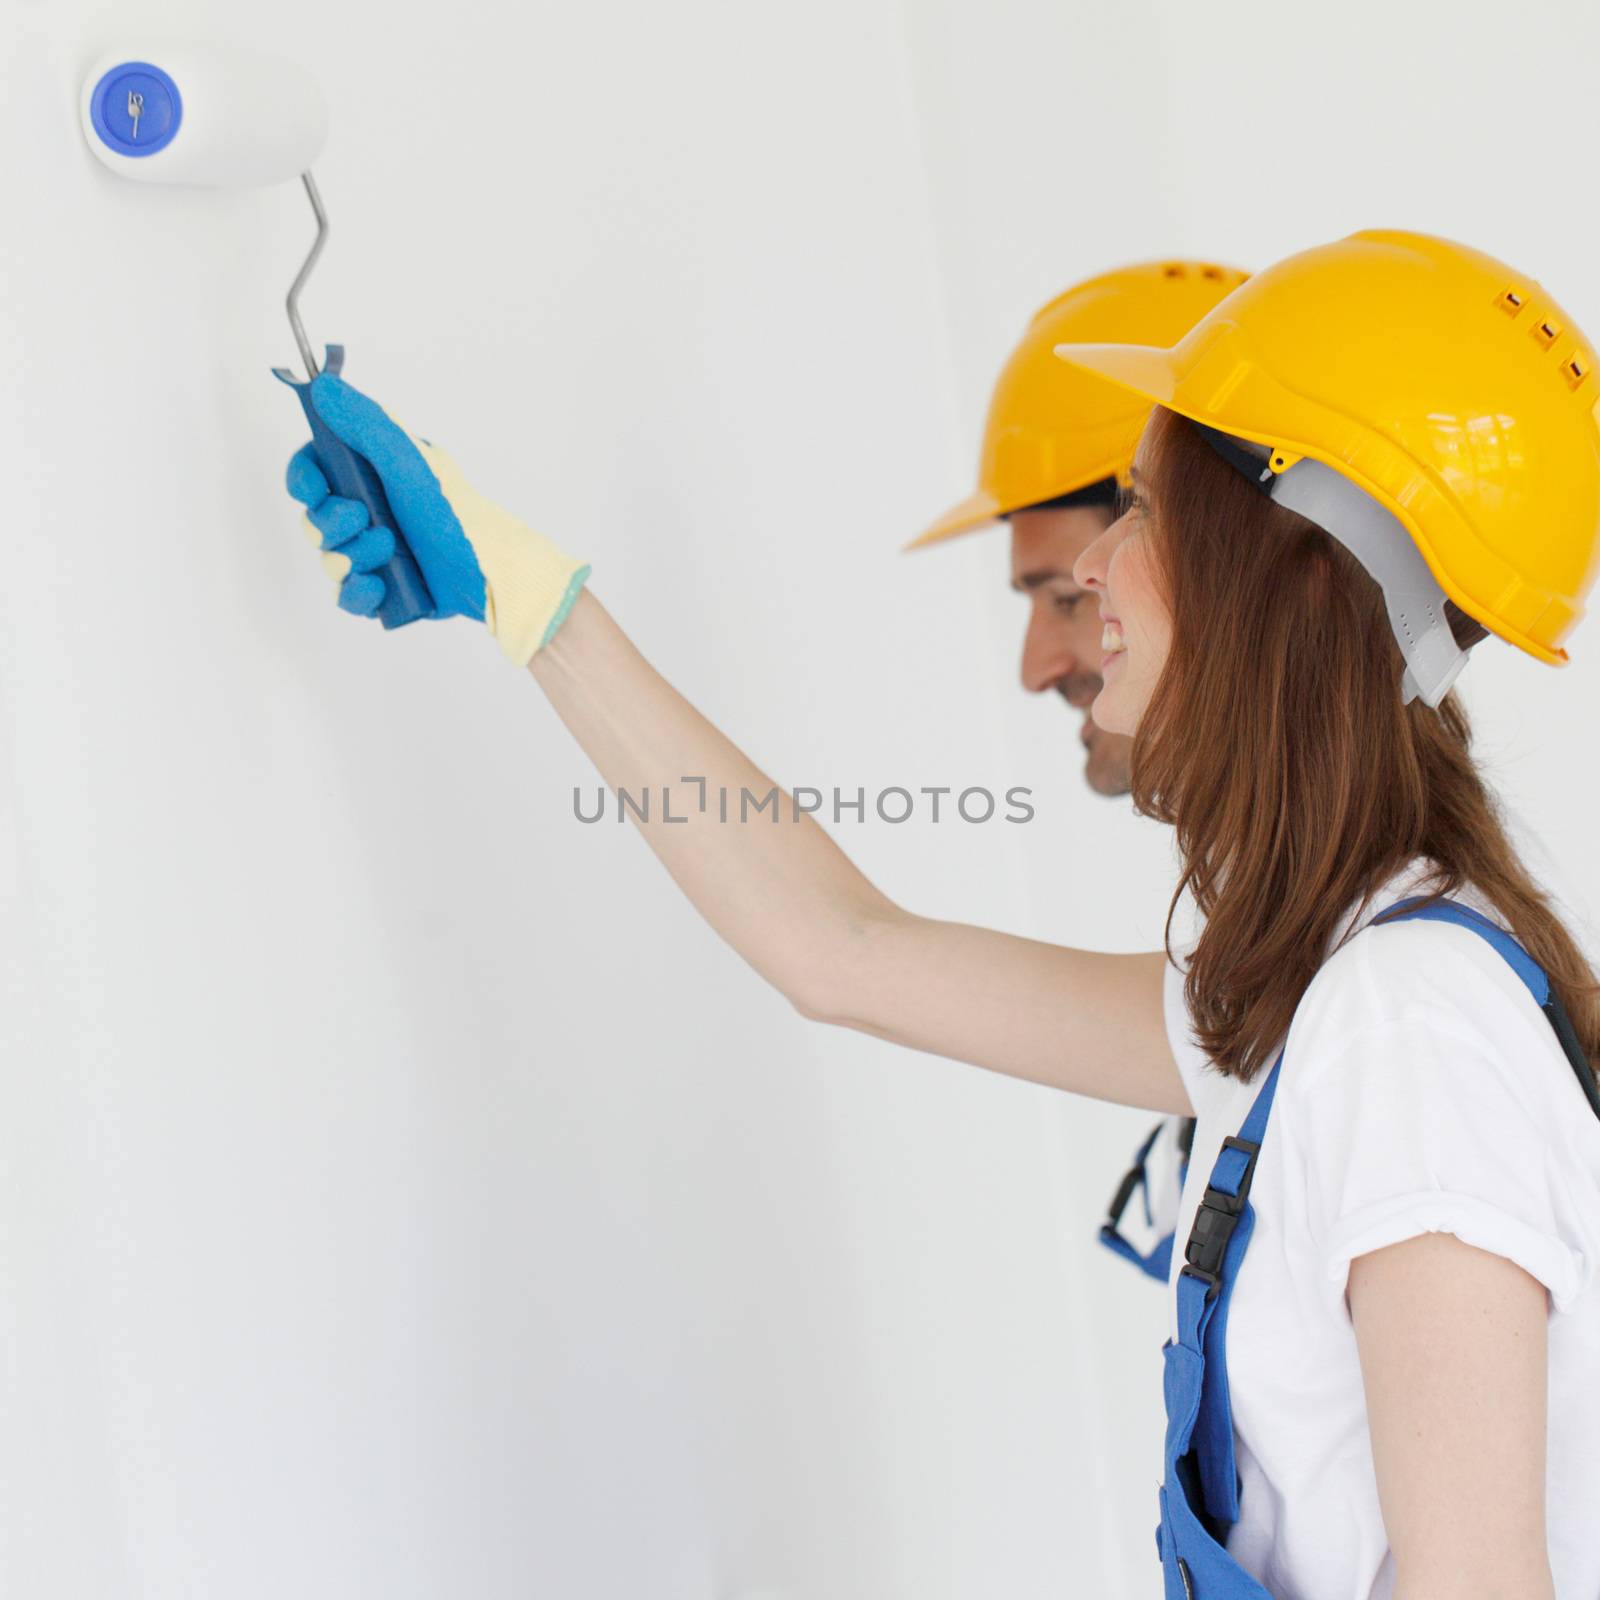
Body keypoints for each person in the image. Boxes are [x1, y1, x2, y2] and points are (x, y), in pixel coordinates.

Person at [285, 227, 1600, 1598]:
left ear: (1296, 573)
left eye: (1144, 509)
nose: (1094, 570)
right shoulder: (1317, 993)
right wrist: (529, 601)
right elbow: (841, 951)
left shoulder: (1406, 1038)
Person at [911, 258, 1247, 1278]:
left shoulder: (1385, 1002)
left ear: (1214, 564)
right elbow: (839, 955)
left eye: (1065, 594)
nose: (1038, 666)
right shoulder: (1268, 983)